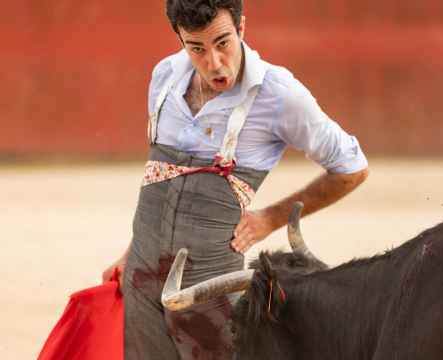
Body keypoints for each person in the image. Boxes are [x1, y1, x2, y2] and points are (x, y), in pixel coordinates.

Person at [100, 0, 369, 359]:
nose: (213, 62)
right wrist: (132, 251)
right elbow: (159, 181)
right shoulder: (164, 77)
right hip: (142, 279)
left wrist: (270, 218)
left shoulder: (279, 94)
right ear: (180, 39)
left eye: (223, 42)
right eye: (196, 48)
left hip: (211, 286)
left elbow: (352, 167)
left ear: (242, 27)